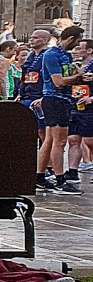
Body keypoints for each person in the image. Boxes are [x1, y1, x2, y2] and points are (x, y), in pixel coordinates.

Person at [36, 27, 84, 193]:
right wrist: (77, 77)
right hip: (56, 100)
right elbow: (58, 81)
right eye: (77, 42)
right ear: (71, 38)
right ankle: (60, 180)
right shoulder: (52, 55)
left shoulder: (66, 55)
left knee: (49, 140)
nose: (78, 46)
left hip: (61, 99)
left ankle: (40, 177)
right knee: (60, 141)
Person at [61, 37, 93, 194]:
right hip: (75, 105)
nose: (76, 50)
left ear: (89, 50)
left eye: (79, 48)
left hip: (89, 107)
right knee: (73, 139)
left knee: (90, 140)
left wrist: (91, 98)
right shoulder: (75, 66)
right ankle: (73, 171)